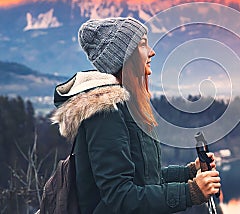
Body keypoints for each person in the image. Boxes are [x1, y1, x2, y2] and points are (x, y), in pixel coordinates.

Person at [51, 17, 221, 213]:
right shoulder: (105, 113)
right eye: (142, 45)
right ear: (124, 57)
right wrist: (191, 192)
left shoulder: (123, 107)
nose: (152, 52)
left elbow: (146, 178)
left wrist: (190, 172)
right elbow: (120, 197)